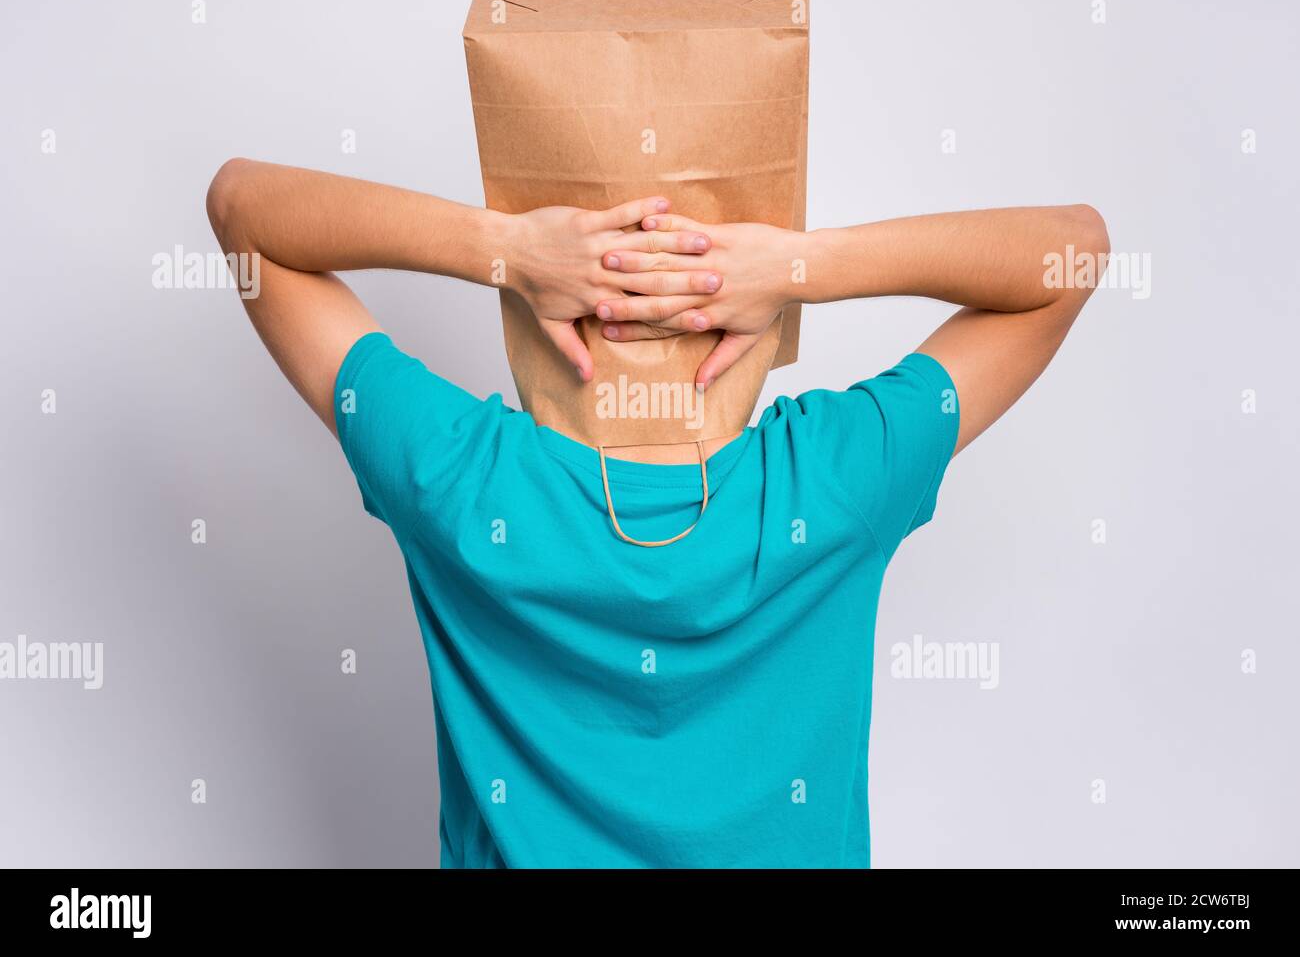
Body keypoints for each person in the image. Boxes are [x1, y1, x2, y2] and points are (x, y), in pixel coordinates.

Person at [205, 158, 1108, 868]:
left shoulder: (463, 481)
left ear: (562, 321)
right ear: (747, 329)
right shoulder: (834, 481)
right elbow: (1074, 251)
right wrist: (798, 263)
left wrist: (510, 250)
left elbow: (243, 207)